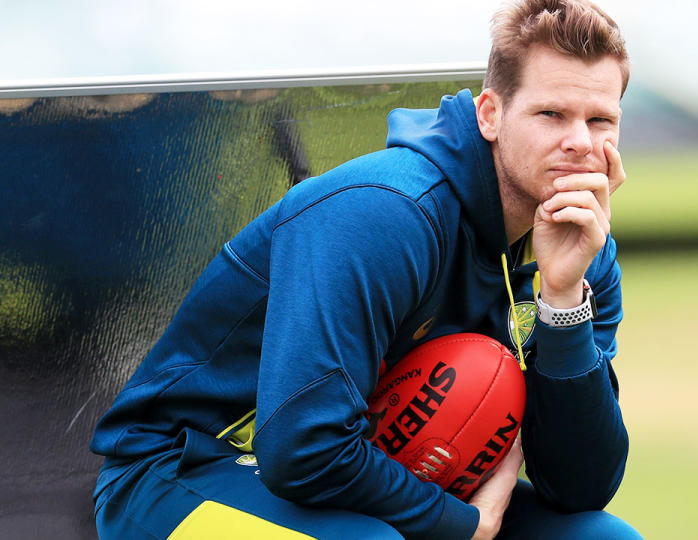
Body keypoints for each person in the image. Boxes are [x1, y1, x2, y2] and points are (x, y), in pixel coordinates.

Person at [90, 0, 641, 538]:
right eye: (551, 114)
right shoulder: (385, 212)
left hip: (376, 469)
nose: (579, 143)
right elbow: (304, 450)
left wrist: (563, 298)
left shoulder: (585, 253)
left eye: (600, 120)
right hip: (182, 471)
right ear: (491, 114)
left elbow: (579, 487)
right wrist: (459, 523)